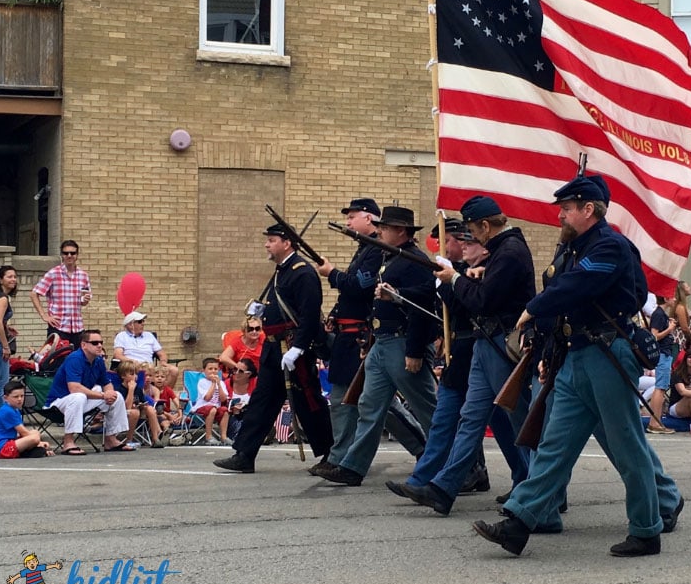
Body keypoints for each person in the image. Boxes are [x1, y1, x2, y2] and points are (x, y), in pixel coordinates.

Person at [472, 172, 682, 558]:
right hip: (574, 355)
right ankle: (519, 524)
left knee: (626, 444)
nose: (560, 216)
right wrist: (544, 342)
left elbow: (577, 289)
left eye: (567, 209)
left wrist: (531, 309)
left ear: (589, 209)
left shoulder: (609, 247)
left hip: (606, 352)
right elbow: (561, 295)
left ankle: (646, 529)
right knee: (553, 446)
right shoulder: (571, 250)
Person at [393, 200, 536, 513]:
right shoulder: (502, 252)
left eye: (472, 231)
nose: (473, 238)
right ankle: (444, 488)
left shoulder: (510, 252)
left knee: (518, 419)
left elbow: (483, 301)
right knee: (470, 419)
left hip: (500, 342)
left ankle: (540, 490)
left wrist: (456, 279)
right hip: (485, 344)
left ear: (485, 226)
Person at [317, 205, 438, 486]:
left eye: (385, 227)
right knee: (368, 405)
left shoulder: (414, 260)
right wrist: (369, 342)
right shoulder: (391, 258)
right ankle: (353, 466)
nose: (380, 230)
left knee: (427, 409)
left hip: (404, 341)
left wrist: (415, 351)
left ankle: (463, 465)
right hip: (382, 343)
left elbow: (422, 307)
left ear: (401, 231)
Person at [214, 222, 333, 473]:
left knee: (308, 402)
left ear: (286, 243)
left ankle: (331, 454)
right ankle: (244, 454)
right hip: (272, 350)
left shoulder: (302, 273)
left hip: (292, 350)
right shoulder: (282, 270)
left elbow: (309, 316)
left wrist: (298, 348)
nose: (267, 244)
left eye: (272, 240)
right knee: (261, 402)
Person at [45, 330, 132, 454]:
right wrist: (103, 395)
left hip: (82, 400)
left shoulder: (98, 361)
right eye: (95, 343)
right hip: (59, 402)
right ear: (84, 345)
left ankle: (111, 439)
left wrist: (109, 394)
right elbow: (74, 388)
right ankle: (68, 442)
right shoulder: (74, 358)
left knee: (116, 396)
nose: (99, 346)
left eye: (101, 342)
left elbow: (106, 383)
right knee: (78, 396)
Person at [29, 240, 91, 345]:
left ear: (77, 255)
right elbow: (34, 293)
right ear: (62, 255)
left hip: (77, 328)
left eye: (73, 253)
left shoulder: (83, 275)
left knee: (77, 360)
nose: (69, 256)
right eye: (66, 253)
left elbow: (83, 302)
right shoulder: (53, 273)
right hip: (59, 327)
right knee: (58, 360)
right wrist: (44, 315)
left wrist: (85, 300)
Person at [113, 311, 179, 388]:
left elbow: (161, 353)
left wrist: (163, 362)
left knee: (174, 370)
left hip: (149, 366)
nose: (143, 323)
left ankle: (163, 394)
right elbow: (118, 355)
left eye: (143, 321)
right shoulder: (122, 336)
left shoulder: (149, 335)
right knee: (141, 370)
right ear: (130, 324)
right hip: (133, 366)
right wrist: (132, 361)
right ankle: (144, 394)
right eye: (140, 321)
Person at [0, 380, 55, 459]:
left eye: (22, 396)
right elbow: (24, 433)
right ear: (5, 398)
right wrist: (39, 443)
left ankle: (29, 451)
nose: (20, 399)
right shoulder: (7, 411)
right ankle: (30, 451)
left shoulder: (15, 409)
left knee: (35, 432)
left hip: (10, 441)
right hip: (2, 448)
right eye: (16, 397)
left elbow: (22, 434)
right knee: (34, 438)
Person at [116, 359, 164, 449]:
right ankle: (129, 440)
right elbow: (126, 407)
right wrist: (130, 390)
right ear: (123, 376)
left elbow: (142, 402)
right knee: (134, 412)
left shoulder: (138, 389)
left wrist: (142, 405)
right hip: (123, 414)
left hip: (138, 412)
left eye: (135, 374)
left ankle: (155, 438)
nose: (135, 376)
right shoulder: (119, 389)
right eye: (131, 374)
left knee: (150, 408)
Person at [646, 295, 677, 434]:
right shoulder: (658, 314)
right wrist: (669, 329)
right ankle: (655, 423)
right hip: (662, 353)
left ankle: (656, 421)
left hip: (666, 353)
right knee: (660, 388)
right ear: (665, 298)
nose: (675, 299)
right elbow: (654, 336)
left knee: (662, 388)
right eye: (673, 297)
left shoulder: (662, 315)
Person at [195, 357, 230, 445]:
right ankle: (208, 437)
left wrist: (219, 384)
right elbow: (207, 398)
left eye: (215, 369)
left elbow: (223, 399)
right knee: (212, 409)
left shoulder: (221, 383)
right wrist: (213, 384)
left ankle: (223, 437)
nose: (213, 371)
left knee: (225, 410)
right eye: (210, 369)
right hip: (201, 408)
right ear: (204, 371)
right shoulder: (202, 382)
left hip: (215, 408)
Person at [0, 265, 18, 409]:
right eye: (9, 277)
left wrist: (6, 327)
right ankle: (1, 420)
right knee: (2, 384)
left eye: (15, 277)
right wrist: (5, 346)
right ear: (0, 280)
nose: (13, 280)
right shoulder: (2, 298)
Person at [224, 357, 258, 441]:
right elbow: (221, 402)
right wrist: (232, 408)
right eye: (235, 369)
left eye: (241, 371)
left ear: (248, 374)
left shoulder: (255, 383)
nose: (236, 373)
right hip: (231, 415)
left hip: (250, 414)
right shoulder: (227, 383)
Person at [148, 364, 182, 435]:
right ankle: (168, 433)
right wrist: (169, 416)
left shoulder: (168, 389)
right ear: (153, 379)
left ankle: (171, 425)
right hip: (157, 413)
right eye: (157, 376)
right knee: (162, 417)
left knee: (180, 415)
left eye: (162, 377)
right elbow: (156, 408)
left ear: (166, 379)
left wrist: (180, 414)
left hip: (168, 413)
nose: (159, 378)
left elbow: (177, 403)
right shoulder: (151, 391)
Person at [672, 280, 691, 354]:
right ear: (682, 290)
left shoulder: (684, 305)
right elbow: (684, 327)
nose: (690, 288)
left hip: (687, 335)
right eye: (687, 287)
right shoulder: (680, 307)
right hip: (681, 338)